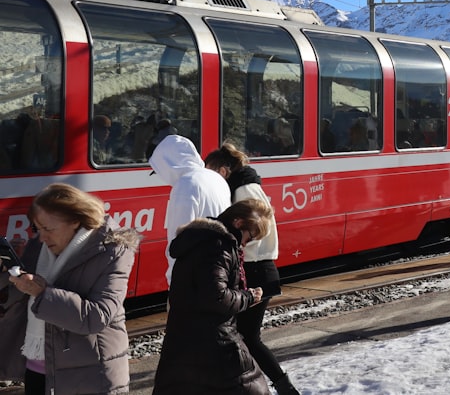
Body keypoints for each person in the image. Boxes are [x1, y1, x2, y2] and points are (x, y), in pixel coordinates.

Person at [0, 183, 141, 395]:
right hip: (38, 370)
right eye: (37, 229)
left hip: (89, 376)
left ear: (76, 220)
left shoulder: (113, 251)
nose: (42, 237)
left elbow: (97, 316)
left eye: (48, 229)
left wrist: (42, 294)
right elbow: (18, 299)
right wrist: (7, 274)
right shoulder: (40, 245)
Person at [205, 144, 301, 395]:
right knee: (242, 337)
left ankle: (280, 386)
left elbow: (253, 231)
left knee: (245, 338)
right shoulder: (244, 186)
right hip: (256, 268)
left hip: (255, 269)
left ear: (223, 170)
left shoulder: (244, 190)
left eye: (211, 172)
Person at [153, 199, 273, 395]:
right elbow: (216, 297)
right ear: (238, 223)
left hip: (184, 338)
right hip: (214, 341)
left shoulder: (202, 240)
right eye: (249, 237)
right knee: (251, 388)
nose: (246, 244)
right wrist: (248, 297)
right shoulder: (218, 247)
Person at [150, 134, 232, 286]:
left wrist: (174, 283)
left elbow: (178, 241)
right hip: (221, 269)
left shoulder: (186, 184)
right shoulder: (216, 179)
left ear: (168, 165)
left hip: (194, 279)